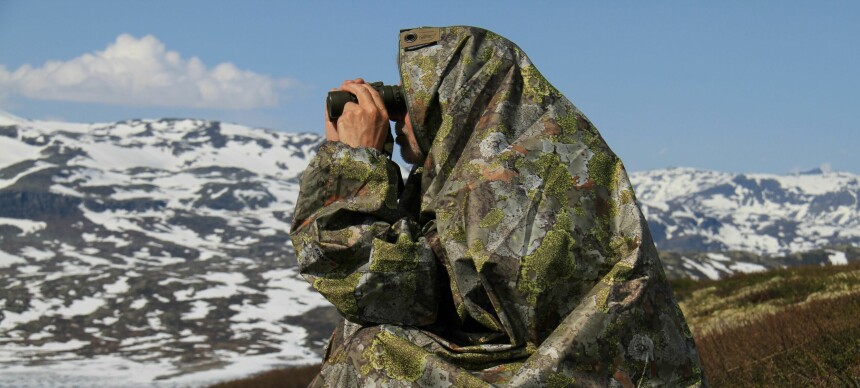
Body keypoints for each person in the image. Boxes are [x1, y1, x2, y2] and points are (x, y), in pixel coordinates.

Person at [290, 26, 707, 387]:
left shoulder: (500, 185)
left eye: (412, 102)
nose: (398, 119)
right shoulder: (530, 160)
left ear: (456, 99)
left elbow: (387, 293)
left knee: (374, 350)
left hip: (573, 376)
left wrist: (353, 163)